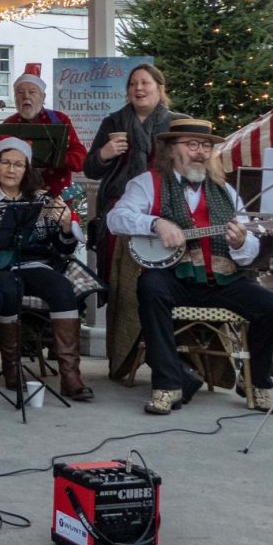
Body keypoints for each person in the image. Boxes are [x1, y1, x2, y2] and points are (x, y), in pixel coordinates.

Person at [106, 117, 273, 414]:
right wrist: (156, 223)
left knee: (272, 308)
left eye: (206, 146)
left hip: (222, 280)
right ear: (170, 150)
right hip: (173, 277)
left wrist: (240, 243)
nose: (201, 151)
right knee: (150, 289)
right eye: (192, 145)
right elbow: (116, 219)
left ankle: (256, 380)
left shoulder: (225, 190)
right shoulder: (147, 183)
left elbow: (249, 249)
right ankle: (167, 384)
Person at [0, 137, 91, 401]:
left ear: (27, 170)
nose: (11, 169)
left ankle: (71, 376)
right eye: (6, 163)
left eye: (18, 164)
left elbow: (64, 249)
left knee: (62, 288)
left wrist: (66, 227)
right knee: (8, 289)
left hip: (34, 264)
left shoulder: (44, 201)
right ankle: (11, 369)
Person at [83, 63, 173, 379]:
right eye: (133, 83)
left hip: (163, 211)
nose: (138, 88)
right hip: (120, 212)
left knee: (158, 283)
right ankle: (122, 354)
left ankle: (165, 353)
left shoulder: (176, 125)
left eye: (145, 82)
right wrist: (106, 153)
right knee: (123, 284)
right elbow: (91, 168)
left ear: (159, 89)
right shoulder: (114, 122)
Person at [10, 65, 86, 194]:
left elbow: (81, 159)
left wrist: (58, 158)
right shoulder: (9, 124)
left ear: (43, 97)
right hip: (18, 197)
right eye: (20, 92)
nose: (26, 97)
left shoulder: (60, 120)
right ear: (15, 98)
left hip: (57, 199)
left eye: (32, 92)